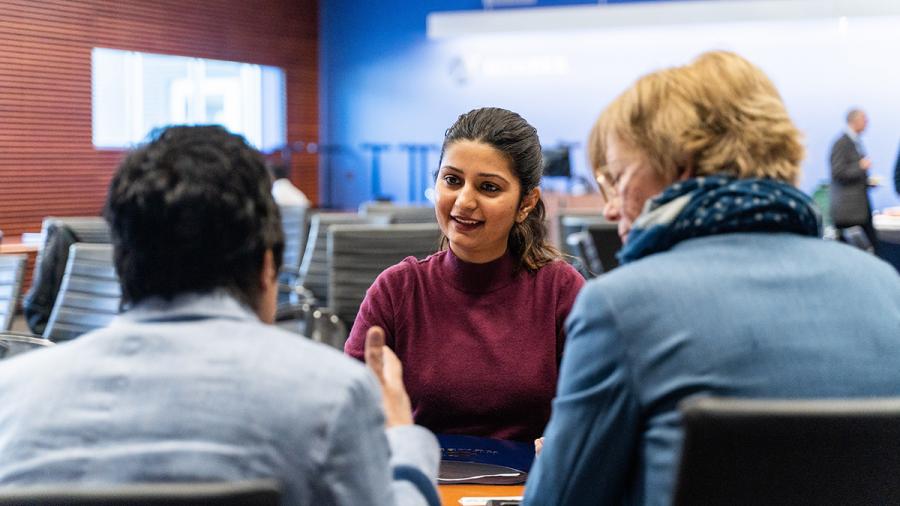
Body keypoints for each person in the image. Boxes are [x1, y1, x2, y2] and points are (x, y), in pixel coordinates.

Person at [523, 51, 900, 505]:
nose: (609, 207)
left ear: (680, 165)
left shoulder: (620, 308)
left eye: (619, 178)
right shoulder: (887, 289)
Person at [0, 126, 440, 506]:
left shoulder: (10, 395)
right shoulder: (333, 396)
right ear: (268, 265)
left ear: (121, 261)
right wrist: (401, 434)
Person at [344, 107, 585, 442]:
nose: (464, 201)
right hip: (423, 483)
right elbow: (351, 414)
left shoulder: (560, 290)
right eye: (452, 180)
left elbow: (595, 410)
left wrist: (566, 441)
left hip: (528, 487)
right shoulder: (397, 289)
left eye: (488, 187)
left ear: (527, 203)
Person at [830, 108, 877, 247]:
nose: (867, 123)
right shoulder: (842, 143)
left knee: (871, 247)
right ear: (855, 121)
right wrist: (860, 167)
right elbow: (838, 173)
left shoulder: (856, 142)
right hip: (848, 213)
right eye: (864, 119)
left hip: (860, 210)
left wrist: (867, 182)